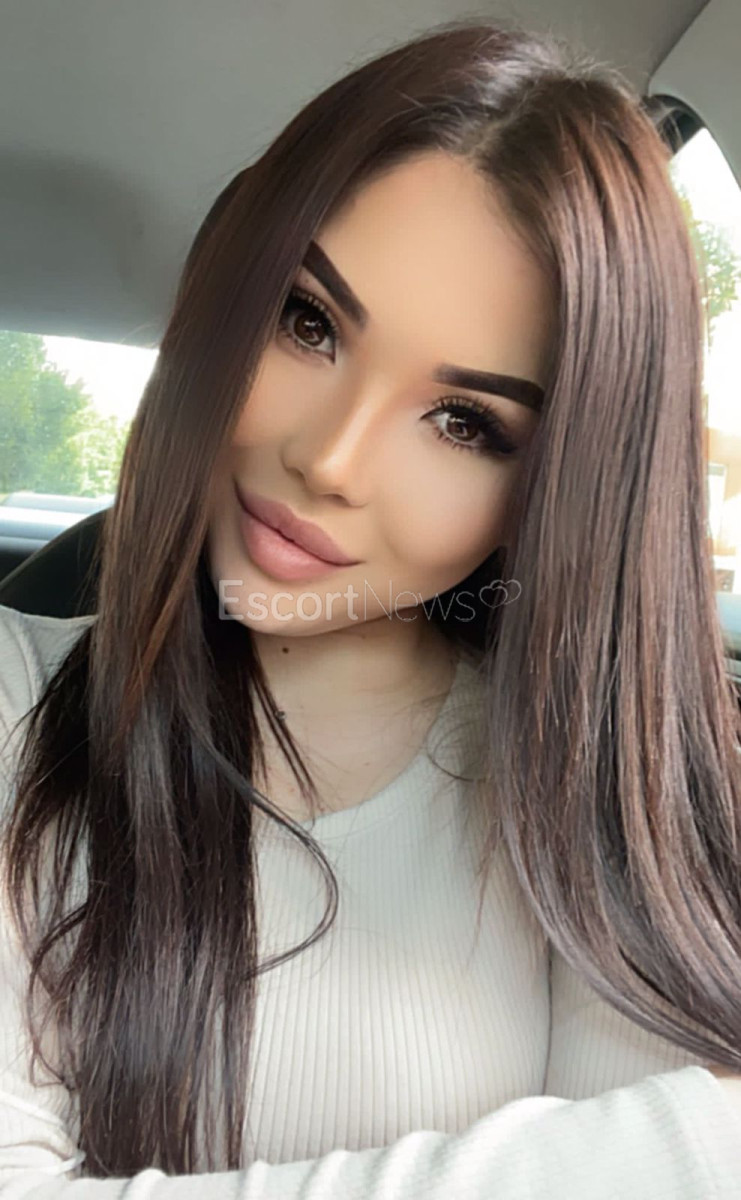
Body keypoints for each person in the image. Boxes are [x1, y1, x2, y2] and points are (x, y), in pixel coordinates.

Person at [1, 15, 741, 1198]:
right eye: (309, 322)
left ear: (552, 492)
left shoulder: (580, 788)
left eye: (465, 423)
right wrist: (685, 1143)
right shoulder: (15, 692)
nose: (331, 460)